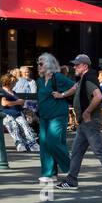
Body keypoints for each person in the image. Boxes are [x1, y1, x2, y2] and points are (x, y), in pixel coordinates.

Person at [54, 54, 102, 192]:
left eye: (77, 65)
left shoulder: (89, 79)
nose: (74, 67)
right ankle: (71, 180)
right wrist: (61, 95)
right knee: (76, 152)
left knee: (99, 150)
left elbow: (98, 96)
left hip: (90, 122)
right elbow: (75, 88)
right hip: (84, 123)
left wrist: (87, 112)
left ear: (85, 66)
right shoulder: (83, 79)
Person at [35, 53, 73, 181]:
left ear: (49, 64)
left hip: (58, 115)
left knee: (53, 141)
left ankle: (71, 168)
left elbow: (76, 86)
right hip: (44, 116)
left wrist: (62, 95)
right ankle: (49, 173)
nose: (38, 66)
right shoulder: (39, 81)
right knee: (44, 144)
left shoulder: (58, 77)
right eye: (38, 63)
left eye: (41, 63)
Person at [0, 73, 39, 153]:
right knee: (13, 125)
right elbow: (4, 103)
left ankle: (32, 144)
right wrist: (17, 102)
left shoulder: (13, 92)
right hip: (6, 114)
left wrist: (20, 102)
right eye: (13, 82)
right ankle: (19, 143)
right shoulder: (1, 91)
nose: (14, 84)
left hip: (18, 113)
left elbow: (18, 102)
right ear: (7, 82)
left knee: (24, 125)